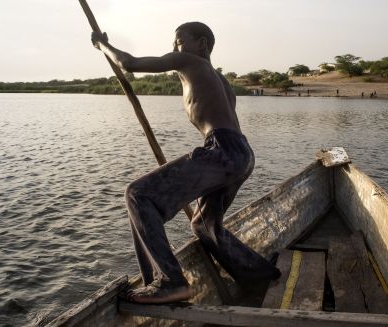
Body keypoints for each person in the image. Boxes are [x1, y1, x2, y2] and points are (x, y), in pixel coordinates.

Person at [91, 22, 280, 304]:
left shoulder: (187, 60)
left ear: (201, 44)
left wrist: (102, 45)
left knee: (138, 194)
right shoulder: (220, 79)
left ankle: (170, 282)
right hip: (242, 153)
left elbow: (129, 63)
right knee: (203, 225)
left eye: (179, 41)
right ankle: (258, 275)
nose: (173, 47)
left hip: (222, 149)